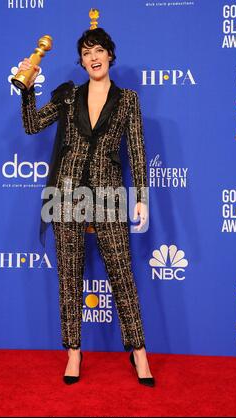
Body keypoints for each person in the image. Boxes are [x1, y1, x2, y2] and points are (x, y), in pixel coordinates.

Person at [17, 27, 155, 387]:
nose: (92, 57)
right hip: (67, 194)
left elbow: (137, 152)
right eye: (85, 53)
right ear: (80, 61)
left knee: (122, 275)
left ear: (110, 54)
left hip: (109, 195)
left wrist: (141, 197)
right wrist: (27, 89)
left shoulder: (128, 100)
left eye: (98, 50)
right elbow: (32, 125)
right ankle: (73, 352)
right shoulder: (67, 97)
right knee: (68, 276)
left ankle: (138, 351)